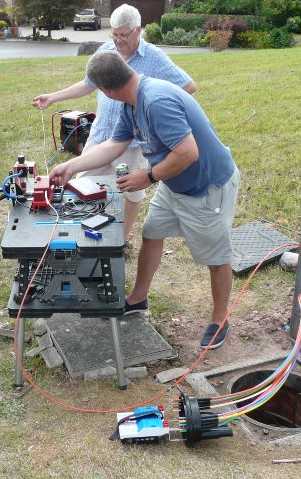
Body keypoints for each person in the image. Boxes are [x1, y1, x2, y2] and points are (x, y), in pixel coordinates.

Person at [49, 51, 240, 349]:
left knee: (215, 259)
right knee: (152, 234)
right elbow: (115, 144)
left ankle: (219, 319)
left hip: (206, 186)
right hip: (174, 183)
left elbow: (189, 153)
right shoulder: (131, 102)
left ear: (107, 90)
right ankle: (138, 299)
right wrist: (73, 166)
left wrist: (148, 177)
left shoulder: (156, 101)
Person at [33, 4, 197, 242]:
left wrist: (158, 115)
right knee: (83, 183)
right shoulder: (106, 51)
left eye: (123, 35)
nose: (118, 41)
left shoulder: (154, 56)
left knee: (131, 193)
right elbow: (88, 84)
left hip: (133, 143)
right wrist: (53, 97)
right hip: (102, 135)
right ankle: (83, 233)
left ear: (138, 30)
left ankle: (123, 238)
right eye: (114, 34)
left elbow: (188, 86)